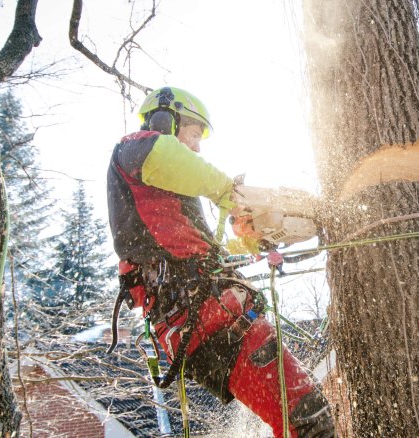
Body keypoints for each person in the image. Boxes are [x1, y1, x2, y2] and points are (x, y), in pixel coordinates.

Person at [106, 86, 335, 437]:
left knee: (302, 419)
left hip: (211, 317)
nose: (197, 146)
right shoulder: (135, 148)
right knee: (307, 419)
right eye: (194, 134)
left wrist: (256, 241)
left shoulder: (167, 200)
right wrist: (230, 192)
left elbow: (203, 250)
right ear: (166, 120)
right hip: (207, 318)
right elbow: (167, 156)